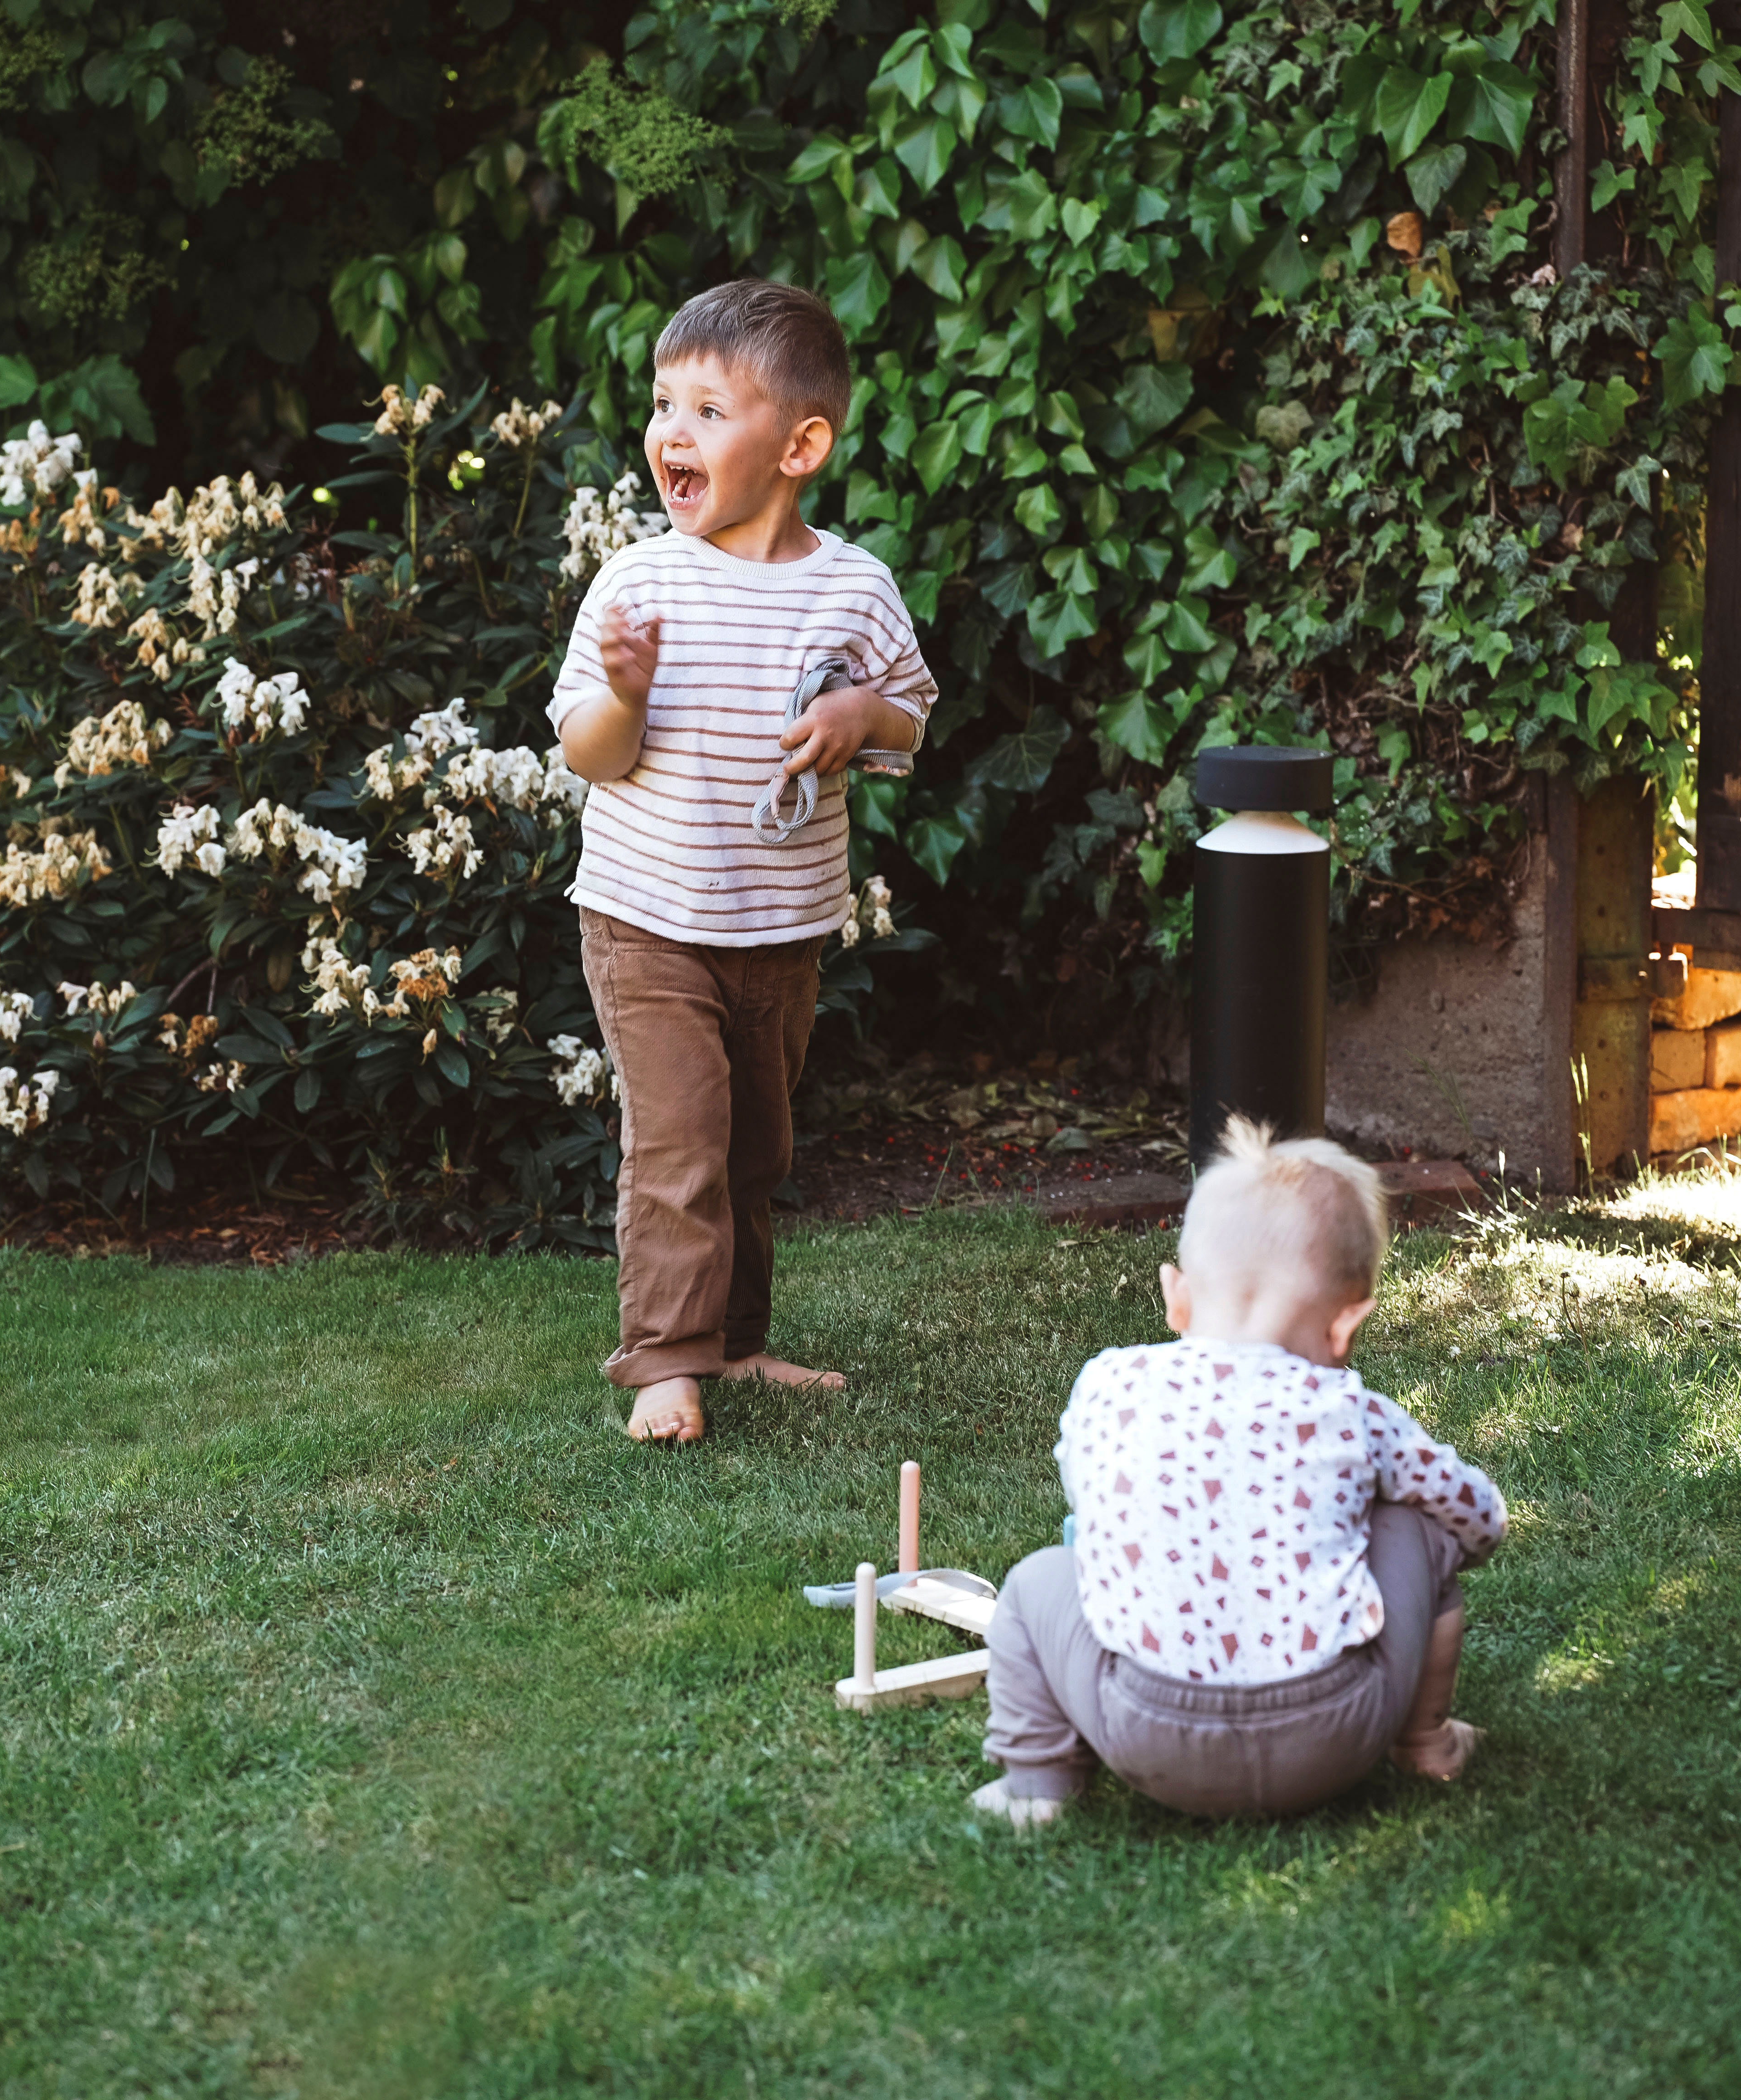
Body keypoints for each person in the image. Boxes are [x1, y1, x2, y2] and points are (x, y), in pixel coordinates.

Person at [551, 279, 937, 1445]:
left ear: (798, 448)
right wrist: (625, 695)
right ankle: (666, 1361)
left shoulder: (852, 587)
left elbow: (910, 718)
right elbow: (587, 753)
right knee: (680, 1146)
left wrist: (861, 716)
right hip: (648, 923)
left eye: (708, 410)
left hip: (781, 928)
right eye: (663, 404)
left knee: (754, 1150)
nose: (672, 431)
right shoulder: (639, 584)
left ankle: (738, 1342)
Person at [972, 1117, 1507, 1827]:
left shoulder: (1108, 1383)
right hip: (1336, 1734)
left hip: (1142, 1730)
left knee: (1036, 1579)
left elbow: (1087, 1504)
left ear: (1177, 1296)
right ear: (1346, 1326)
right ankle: (1426, 1743)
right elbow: (1479, 1517)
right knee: (1422, 1527)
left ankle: (1037, 1782)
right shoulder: (1350, 1408)